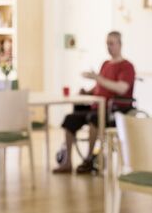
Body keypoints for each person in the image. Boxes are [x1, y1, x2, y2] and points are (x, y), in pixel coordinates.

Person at [53, 31, 136, 174]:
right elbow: (100, 87)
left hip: (115, 111)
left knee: (94, 119)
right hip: (96, 107)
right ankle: (67, 162)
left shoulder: (126, 66)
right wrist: (88, 92)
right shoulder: (105, 64)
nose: (109, 47)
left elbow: (122, 89)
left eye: (112, 43)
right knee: (70, 119)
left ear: (120, 45)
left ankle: (90, 159)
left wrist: (97, 78)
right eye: (107, 43)